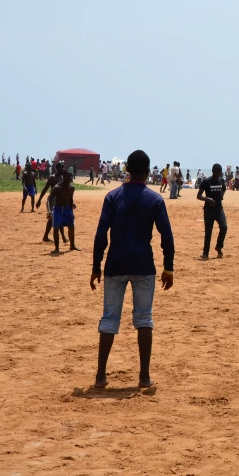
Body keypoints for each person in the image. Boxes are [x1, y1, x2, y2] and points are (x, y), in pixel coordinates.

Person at [91, 150, 174, 389]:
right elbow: (166, 236)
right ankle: (144, 377)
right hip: (143, 265)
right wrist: (169, 267)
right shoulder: (155, 199)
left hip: (115, 264)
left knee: (109, 319)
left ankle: (100, 377)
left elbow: (100, 235)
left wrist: (96, 266)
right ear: (148, 172)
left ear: (127, 170)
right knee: (144, 318)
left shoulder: (112, 196)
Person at [197, 163, 227, 259]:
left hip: (219, 209)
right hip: (208, 210)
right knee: (208, 232)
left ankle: (219, 247)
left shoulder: (221, 180)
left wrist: (222, 194)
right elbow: (199, 196)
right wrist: (208, 199)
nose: (219, 174)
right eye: (217, 172)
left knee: (224, 227)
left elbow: (224, 188)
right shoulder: (206, 182)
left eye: (220, 172)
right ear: (213, 171)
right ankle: (205, 253)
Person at [47, 171, 79, 253]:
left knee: (71, 227)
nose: (71, 178)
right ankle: (57, 248)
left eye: (72, 176)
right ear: (64, 177)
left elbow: (71, 200)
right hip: (58, 209)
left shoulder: (71, 188)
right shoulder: (57, 188)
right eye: (70, 176)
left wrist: (72, 212)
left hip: (67, 209)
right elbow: (49, 198)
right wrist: (49, 210)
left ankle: (72, 245)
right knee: (56, 228)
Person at [36, 163, 67, 244]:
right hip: (52, 200)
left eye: (63, 167)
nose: (63, 169)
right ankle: (63, 237)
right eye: (61, 167)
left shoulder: (63, 178)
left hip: (60, 200)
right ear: (57, 168)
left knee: (54, 218)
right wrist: (39, 200)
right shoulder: (52, 178)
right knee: (55, 217)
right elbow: (45, 188)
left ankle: (46, 236)